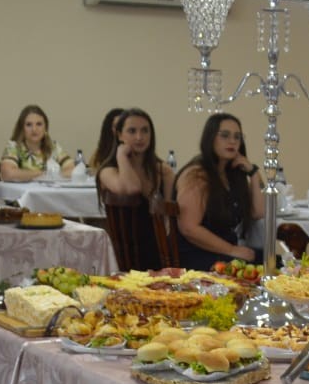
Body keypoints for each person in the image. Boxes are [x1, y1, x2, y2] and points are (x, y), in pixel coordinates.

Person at [173, 113, 265, 272]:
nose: (232, 141)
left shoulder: (231, 174)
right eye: (225, 135)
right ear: (210, 138)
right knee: (270, 267)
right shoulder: (197, 174)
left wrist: (254, 173)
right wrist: (232, 250)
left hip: (224, 252)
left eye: (237, 137)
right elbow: (189, 228)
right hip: (199, 255)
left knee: (272, 260)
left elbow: (258, 212)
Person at [96, 107, 174, 271]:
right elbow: (131, 187)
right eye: (132, 131)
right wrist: (121, 156)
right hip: (124, 253)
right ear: (119, 135)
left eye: (145, 131)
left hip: (158, 248)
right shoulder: (108, 171)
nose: (139, 137)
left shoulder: (163, 170)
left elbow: (169, 217)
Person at [0, 105, 73, 182]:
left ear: (45, 128)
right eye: (29, 125)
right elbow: (8, 174)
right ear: (22, 128)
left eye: (39, 124)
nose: (34, 129)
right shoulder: (13, 147)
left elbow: (73, 171)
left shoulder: (53, 147)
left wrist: (45, 176)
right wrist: (45, 175)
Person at [88, 108, 124, 173]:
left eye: (123, 126)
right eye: (116, 126)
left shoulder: (136, 152)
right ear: (109, 129)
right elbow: (92, 172)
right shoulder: (99, 153)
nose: (120, 130)